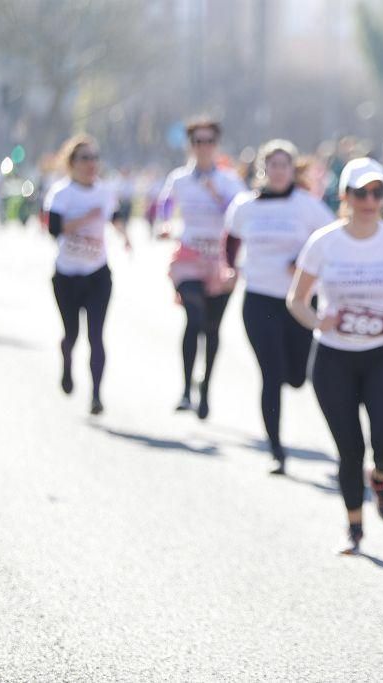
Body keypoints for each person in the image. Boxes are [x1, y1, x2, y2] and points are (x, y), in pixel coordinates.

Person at [287, 157, 383, 554]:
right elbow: (296, 299)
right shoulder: (325, 241)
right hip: (334, 359)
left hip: (382, 355)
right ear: (345, 196)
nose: (369, 200)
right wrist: (317, 320)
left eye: (377, 192)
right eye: (360, 192)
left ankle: (378, 477)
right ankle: (354, 527)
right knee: (349, 448)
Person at [224, 140, 335, 475]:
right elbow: (230, 238)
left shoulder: (307, 205)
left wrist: (303, 264)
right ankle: (276, 449)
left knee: (298, 377)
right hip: (258, 298)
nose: (278, 171)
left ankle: (294, 381)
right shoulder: (246, 205)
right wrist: (230, 267)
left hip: (299, 301)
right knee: (270, 376)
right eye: (272, 165)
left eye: (284, 165)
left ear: (292, 169)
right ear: (263, 169)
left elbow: (332, 240)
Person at [157, 117, 246, 419]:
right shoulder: (179, 179)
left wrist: (217, 196)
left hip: (219, 260)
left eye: (209, 141)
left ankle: (205, 387)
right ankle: (185, 389)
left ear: (216, 145)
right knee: (193, 319)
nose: (203, 147)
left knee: (212, 328)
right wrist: (165, 223)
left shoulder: (229, 181)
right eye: (198, 142)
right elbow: (165, 204)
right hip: (189, 255)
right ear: (191, 145)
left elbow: (240, 217)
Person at [42, 134, 130, 415]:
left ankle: (96, 395)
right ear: (71, 163)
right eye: (85, 158)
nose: (91, 164)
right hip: (67, 276)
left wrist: (124, 235)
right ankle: (67, 362)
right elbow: (53, 230)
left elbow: (114, 217)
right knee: (72, 334)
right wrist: (83, 219)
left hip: (97, 275)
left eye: (95, 158)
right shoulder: (61, 193)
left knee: (96, 335)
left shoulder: (104, 192)